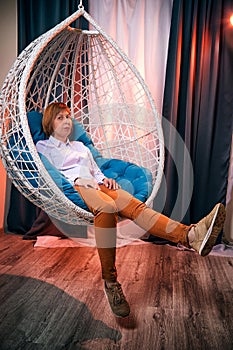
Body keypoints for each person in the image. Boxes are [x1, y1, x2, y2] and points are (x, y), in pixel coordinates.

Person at [36, 102, 226, 318]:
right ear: (49, 122)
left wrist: (105, 179)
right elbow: (49, 175)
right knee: (107, 208)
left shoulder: (81, 147)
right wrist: (76, 180)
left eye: (68, 117)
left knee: (136, 206)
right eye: (60, 118)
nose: (67, 121)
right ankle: (111, 282)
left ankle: (190, 235)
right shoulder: (43, 147)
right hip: (76, 186)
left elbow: (96, 171)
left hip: (96, 184)